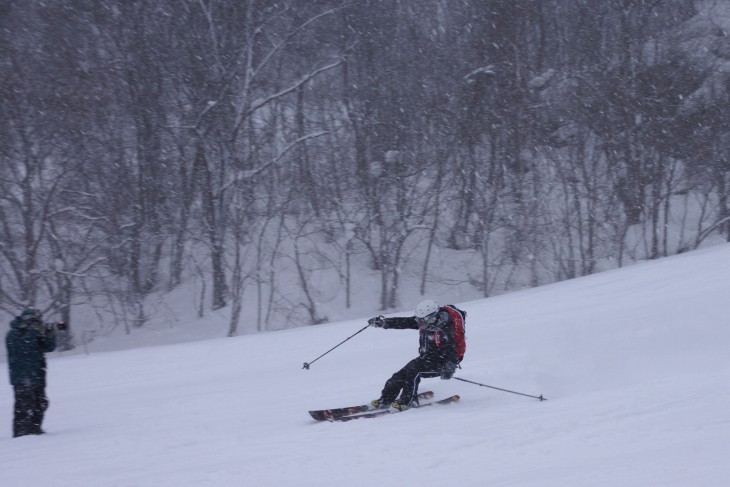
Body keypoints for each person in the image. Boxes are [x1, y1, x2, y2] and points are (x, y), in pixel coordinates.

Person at [367, 299, 466, 412]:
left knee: (414, 372)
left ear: (432, 317)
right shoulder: (428, 323)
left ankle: (407, 402)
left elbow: (452, 349)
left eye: (421, 320)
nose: (419, 323)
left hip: (442, 363)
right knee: (400, 375)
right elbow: (406, 322)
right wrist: (384, 322)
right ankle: (386, 399)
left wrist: (450, 366)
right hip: (428, 358)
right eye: (418, 319)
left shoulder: (446, 329)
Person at [6, 308, 58, 437]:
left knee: (40, 402)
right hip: (22, 376)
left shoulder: (33, 333)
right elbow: (24, 347)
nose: (38, 323)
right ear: (28, 320)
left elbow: (48, 347)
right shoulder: (13, 334)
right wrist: (34, 331)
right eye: (35, 321)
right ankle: (21, 433)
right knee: (24, 406)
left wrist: (50, 334)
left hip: (38, 374)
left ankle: (35, 430)